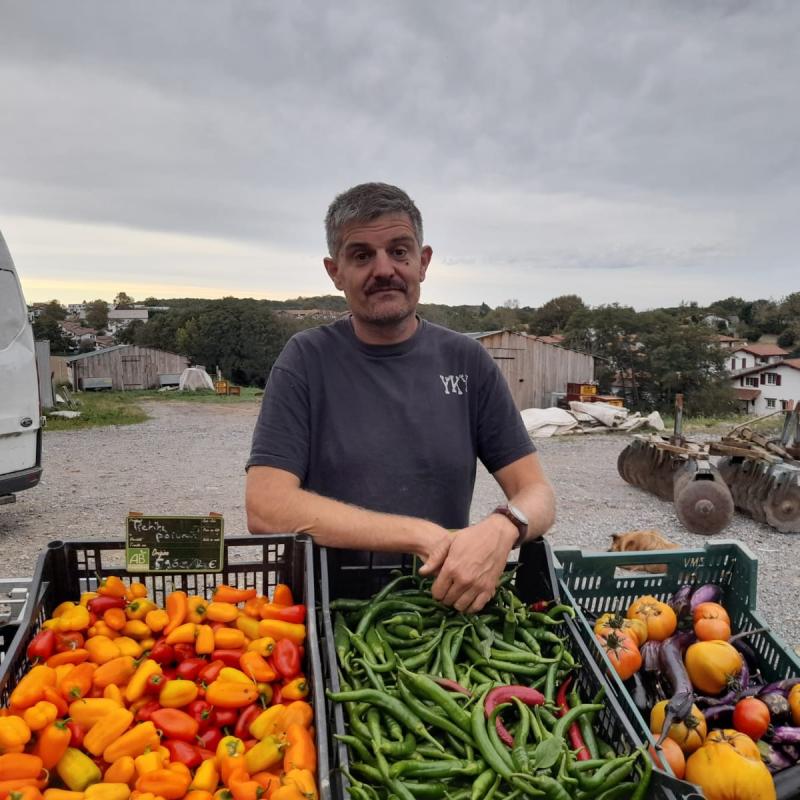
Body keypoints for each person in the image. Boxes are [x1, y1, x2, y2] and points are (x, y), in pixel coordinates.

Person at [246, 182, 555, 612]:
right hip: (324, 611)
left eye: (399, 251)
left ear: (422, 262)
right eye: (361, 256)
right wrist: (420, 535)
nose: (383, 269)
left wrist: (505, 527)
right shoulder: (306, 359)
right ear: (334, 272)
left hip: (439, 610)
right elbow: (266, 506)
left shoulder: (467, 360)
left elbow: (537, 493)